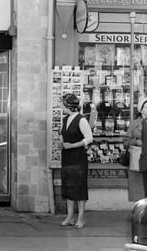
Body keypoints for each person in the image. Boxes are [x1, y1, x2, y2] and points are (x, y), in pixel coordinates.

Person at [59, 93, 93, 229]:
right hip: (67, 156)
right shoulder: (65, 119)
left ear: (68, 106)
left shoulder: (81, 120)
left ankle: (80, 218)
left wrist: (72, 145)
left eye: (63, 105)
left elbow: (89, 138)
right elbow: (63, 134)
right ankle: (69, 216)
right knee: (68, 186)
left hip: (78, 157)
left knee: (79, 187)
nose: (61, 107)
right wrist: (62, 142)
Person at [124, 97, 147, 201]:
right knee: (138, 189)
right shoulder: (135, 123)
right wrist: (137, 142)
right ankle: (139, 210)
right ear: (141, 109)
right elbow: (126, 141)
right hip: (137, 160)